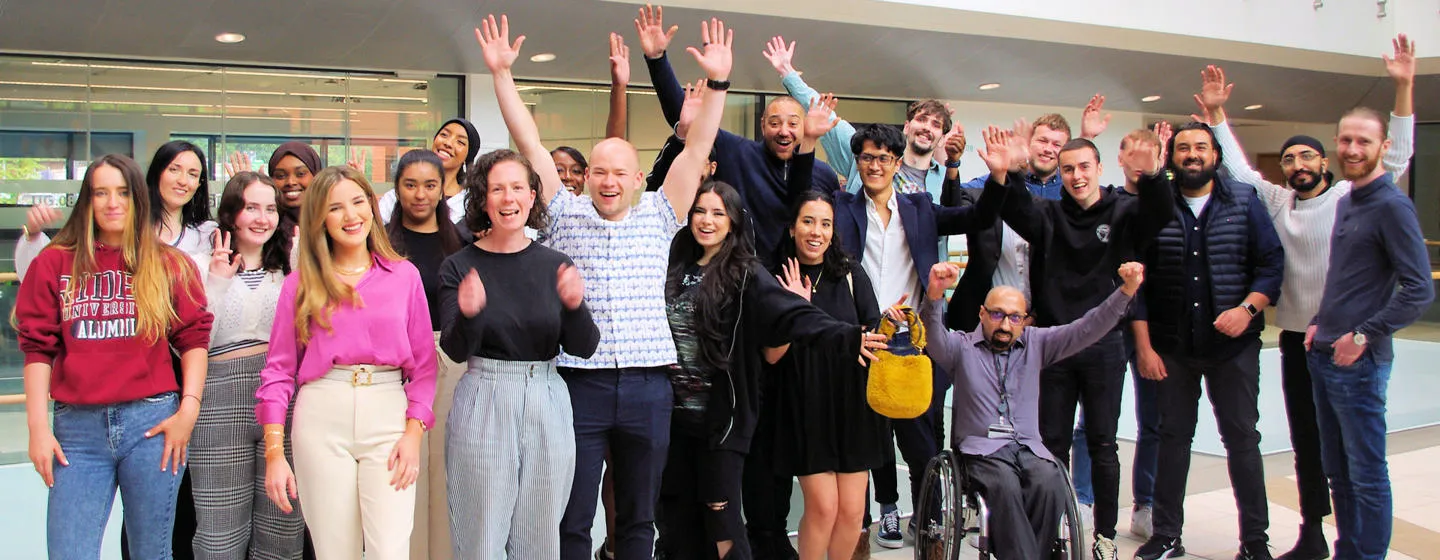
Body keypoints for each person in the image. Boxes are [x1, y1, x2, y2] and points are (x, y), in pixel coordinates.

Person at [1193, 38, 1416, 559]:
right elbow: (1242, 174)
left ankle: (1360, 545)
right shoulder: (1278, 201)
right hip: (1298, 339)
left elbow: (1399, 156)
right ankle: (1315, 533)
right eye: (1289, 157)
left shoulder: (1348, 197)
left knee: (1356, 457)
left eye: (1306, 155)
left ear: (1326, 160)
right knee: (1309, 445)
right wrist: (1218, 116)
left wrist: (1403, 88)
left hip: (1349, 341)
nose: (1296, 163)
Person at [659, 180, 889, 560]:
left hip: (725, 418)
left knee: (726, 520)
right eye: (700, 211)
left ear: (733, 222)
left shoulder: (745, 272)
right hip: (676, 418)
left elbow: (802, 318)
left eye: (719, 213)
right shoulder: (674, 266)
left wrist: (851, 337)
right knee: (680, 520)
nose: (707, 220)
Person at [17, 154, 214, 559]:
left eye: (123, 192)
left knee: (150, 552)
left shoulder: (168, 264)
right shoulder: (54, 262)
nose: (112, 203)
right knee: (70, 551)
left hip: (153, 425)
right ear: (86, 202)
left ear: (138, 199)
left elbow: (194, 339)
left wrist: (188, 412)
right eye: (100, 192)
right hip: (78, 431)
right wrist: (38, 427)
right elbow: (37, 346)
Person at [829, 121, 1008, 551]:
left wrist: (998, 177)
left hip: (911, 339)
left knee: (920, 439)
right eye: (867, 157)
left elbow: (977, 215)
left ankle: (928, 521)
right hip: (864, 336)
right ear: (858, 162)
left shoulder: (919, 207)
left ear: (896, 163)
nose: (875, 165)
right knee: (867, 439)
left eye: (883, 158)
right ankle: (872, 523)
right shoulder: (840, 207)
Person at [996, 126, 1173, 558]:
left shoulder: (1125, 212)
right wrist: (1014, 170)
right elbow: (1016, 208)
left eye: (1083, 167)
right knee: (1052, 443)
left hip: (1104, 345)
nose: (1076, 176)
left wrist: (1153, 173)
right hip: (1054, 344)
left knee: (1103, 442)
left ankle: (1104, 535)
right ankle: (1053, 528)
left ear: (1099, 168)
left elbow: (1160, 213)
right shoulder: (1049, 215)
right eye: (1068, 169)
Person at [256, 166, 437, 560]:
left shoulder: (404, 276)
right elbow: (279, 371)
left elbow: (423, 368)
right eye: (336, 208)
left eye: (358, 202)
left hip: (388, 411)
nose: (351, 216)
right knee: (335, 552)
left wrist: (413, 434)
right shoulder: (300, 283)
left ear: (373, 207)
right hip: (322, 413)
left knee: (389, 549)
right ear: (320, 217)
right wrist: (274, 453)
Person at [918, 257, 1143, 560]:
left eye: (1014, 317)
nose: (1005, 324)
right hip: (982, 451)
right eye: (997, 315)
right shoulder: (960, 348)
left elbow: (1087, 328)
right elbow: (932, 337)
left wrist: (1125, 292)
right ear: (982, 314)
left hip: (1028, 447)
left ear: (1024, 321)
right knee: (1006, 487)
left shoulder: (1038, 343)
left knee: (1049, 483)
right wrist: (934, 296)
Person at [437, 145, 601, 557]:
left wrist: (575, 306)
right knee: (482, 535)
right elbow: (455, 350)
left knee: (540, 535)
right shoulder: (459, 266)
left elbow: (584, 347)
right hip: (484, 393)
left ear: (532, 196)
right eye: (496, 189)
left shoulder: (555, 263)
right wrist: (471, 313)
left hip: (547, 394)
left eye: (517, 188)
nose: (508, 199)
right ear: (482, 200)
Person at [1131, 122, 1285, 560]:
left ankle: (1255, 541)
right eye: (1183, 148)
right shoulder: (1155, 207)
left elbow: (1272, 264)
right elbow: (1135, 281)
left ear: (1215, 155)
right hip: (1172, 348)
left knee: (1242, 440)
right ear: (1171, 158)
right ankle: (1167, 535)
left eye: (1201, 147)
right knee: (1172, 438)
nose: (1192, 154)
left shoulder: (1245, 202)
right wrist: (1144, 348)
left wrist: (1248, 310)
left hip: (1232, 348)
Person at [1303, 104, 1433, 559]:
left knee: (1367, 475)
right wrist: (1322, 320)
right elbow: (1347, 276)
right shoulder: (1348, 200)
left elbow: (1419, 290)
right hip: (1323, 353)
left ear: (1385, 147)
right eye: (1345, 140)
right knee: (1338, 473)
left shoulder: (1392, 206)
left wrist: (1361, 335)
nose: (1352, 149)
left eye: (1363, 141)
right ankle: (1349, 553)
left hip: (1358, 363)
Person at [636, 3, 840, 268]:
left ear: (804, 127)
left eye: (793, 123)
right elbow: (687, 120)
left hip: (796, 285)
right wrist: (657, 60)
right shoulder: (739, 153)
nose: (784, 131)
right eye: (775, 123)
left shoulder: (823, 174)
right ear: (762, 125)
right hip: (736, 279)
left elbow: (812, 216)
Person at [763, 190, 887, 560]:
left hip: (852, 403)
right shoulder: (774, 277)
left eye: (825, 223)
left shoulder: (850, 274)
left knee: (852, 512)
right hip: (805, 403)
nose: (816, 232)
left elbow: (872, 332)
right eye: (808, 221)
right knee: (823, 508)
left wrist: (888, 328)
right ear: (791, 228)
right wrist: (796, 308)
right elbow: (771, 355)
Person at [189, 171, 306, 559]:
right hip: (218, 399)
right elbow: (193, 344)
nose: (262, 218)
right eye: (251, 207)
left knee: (283, 527)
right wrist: (217, 282)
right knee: (219, 535)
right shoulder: (201, 263)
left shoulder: (290, 261)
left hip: (283, 397)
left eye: (270, 209)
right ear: (231, 213)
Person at [383, 149, 473, 560]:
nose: (420, 194)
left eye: (430, 185)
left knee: (449, 467)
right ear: (397, 188)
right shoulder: (379, 242)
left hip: (451, 357)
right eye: (410, 184)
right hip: (395, 363)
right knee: (405, 467)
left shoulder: (463, 242)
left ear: (443, 190)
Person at [17, 140, 218, 280]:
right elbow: (40, 276)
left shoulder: (207, 234)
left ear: (199, 184)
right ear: (157, 172)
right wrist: (33, 234)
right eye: (174, 169)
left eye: (193, 174)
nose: (183, 181)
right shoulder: (119, 227)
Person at [379, 118, 483, 225]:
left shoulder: (470, 203)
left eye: (460, 142)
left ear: (468, 156)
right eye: (444, 135)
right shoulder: (397, 196)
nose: (448, 143)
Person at [267, 141, 323, 224]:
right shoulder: (264, 224)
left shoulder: (331, 223)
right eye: (280, 175)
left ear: (316, 176)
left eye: (300, 174)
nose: (290, 182)